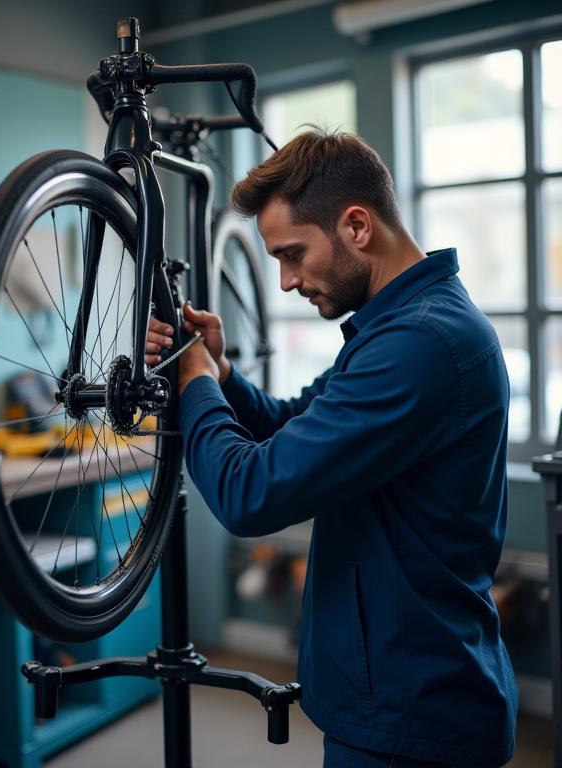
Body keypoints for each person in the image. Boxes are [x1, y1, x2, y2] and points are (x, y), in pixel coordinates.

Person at [146, 130, 518, 768]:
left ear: (356, 225)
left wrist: (195, 383)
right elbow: (295, 422)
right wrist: (226, 378)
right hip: (400, 696)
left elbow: (249, 493)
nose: (287, 282)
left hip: (413, 715)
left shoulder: (421, 345)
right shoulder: (397, 326)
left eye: (293, 254)